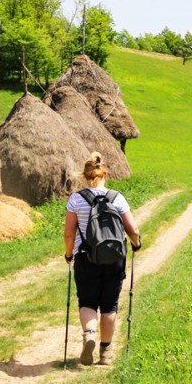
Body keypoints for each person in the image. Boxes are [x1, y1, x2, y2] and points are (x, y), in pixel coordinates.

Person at [64, 152, 141, 366]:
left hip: (86, 258)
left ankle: (89, 334)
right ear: (105, 174)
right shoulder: (117, 198)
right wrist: (136, 244)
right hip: (114, 259)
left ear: (85, 175)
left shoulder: (76, 199)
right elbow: (133, 229)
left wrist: (69, 254)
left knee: (87, 301)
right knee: (110, 305)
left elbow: (69, 233)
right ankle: (105, 353)